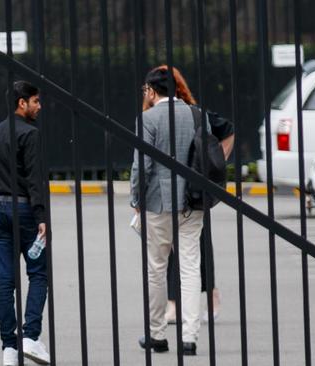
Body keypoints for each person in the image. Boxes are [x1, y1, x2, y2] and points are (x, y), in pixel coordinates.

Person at [145, 66, 234, 325]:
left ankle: (192, 302)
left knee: (188, 250)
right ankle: (186, 313)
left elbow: (226, 129)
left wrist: (215, 165)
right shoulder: (162, 115)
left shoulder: (193, 112)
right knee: (184, 251)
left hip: (190, 191)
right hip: (176, 192)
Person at [130, 67, 204, 356]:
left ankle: (158, 333)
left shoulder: (147, 119)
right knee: (190, 266)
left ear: (151, 90)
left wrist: (136, 197)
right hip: (192, 200)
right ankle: (190, 337)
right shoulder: (197, 115)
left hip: (157, 201)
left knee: (157, 269)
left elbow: (141, 165)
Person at [0, 81, 50, 366]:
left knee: (5, 281)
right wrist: (41, 217)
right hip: (24, 208)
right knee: (37, 274)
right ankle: (30, 337)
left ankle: (9, 348)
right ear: (21, 103)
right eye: (35, 101)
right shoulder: (30, 134)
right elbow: (35, 180)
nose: (39, 106)